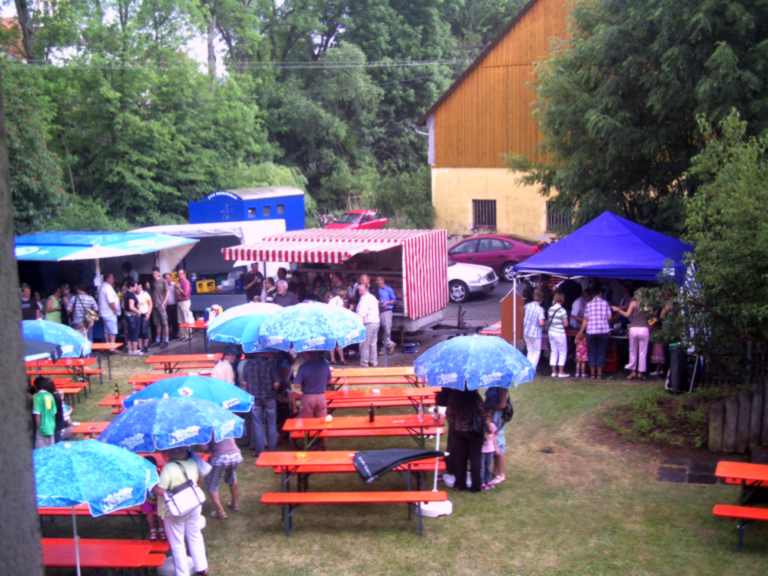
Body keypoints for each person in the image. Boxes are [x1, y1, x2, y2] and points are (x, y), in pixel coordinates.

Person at [153, 447, 208, 576]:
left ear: (171, 453)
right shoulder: (193, 462)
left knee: (177, 543)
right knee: (195, 536)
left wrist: (152, 486)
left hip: (176, 510)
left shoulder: (168, 468)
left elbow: (161, 490)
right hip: (194, 504)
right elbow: (199, 480)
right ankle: (202, 568)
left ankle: (182, 573)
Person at [242, 352, 279, 456]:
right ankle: (272, 449)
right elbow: (276, 384)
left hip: (254, 398)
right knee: (271, 423)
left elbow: (244, 382)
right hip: (269, 397)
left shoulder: (248, 365)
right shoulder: (270, 364)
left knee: (257, 424)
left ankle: (260, 451)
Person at [449, 390, 484, 492]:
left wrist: (454, 424)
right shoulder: (476, 396)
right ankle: (476, 485)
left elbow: (449, 414)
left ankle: (460, 484)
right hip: (475, 431)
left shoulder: (454, 396)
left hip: (459, 431)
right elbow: (482, 411)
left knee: (460, 458)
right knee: (475, 458)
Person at [613, 288, 650, 379]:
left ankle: (633, 372)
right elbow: (652, 318)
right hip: (644, 329)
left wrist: (618, 310)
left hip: (633, 328)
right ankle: (640, 373)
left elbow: (627, 315)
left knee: (632, 351)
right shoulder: (648, 304)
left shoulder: (633, 303)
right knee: (643, 352)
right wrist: (649, 326)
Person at [578, 287, 613, 379]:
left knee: (591, 352)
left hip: (591, 331)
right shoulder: (605, 303)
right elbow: (609, 318)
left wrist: (580, 332)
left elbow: (585, 320)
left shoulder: (589, 304)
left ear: (593, 294)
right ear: (600, 293)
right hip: (603, 331)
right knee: (601, 352)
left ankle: (593, 375)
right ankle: (599, 375)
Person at [205, 437, 242, 519]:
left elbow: (204, 448)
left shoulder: (208, 430)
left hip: (221, 457)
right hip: (235, 455)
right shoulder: (225, 428)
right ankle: (235, 504)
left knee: (212, 484)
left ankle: (220, 512)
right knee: (232, 477)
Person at [483, 386, 509, 486]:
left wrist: (489, 409)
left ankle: (500, 474)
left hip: (496, 416)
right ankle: (495, 471)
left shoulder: (502, 386)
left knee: (498, 444)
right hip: (492, 415)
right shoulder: (493, 385)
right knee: (493, 444)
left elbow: (502, 405)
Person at [296, 351, 331, 419]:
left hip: (307, 397)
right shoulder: (325, 365)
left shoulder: (303, 366)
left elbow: (297, 385)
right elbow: (329, 380)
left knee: (307, 423)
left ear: (308, 354)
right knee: (321, 422)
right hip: (321, 397)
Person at [356, 281, 380, 367]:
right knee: (373, 343)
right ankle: (373, 361)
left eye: (361, 290)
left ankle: (364, 362)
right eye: (359, 290)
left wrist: (360, 325)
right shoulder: (372, 297)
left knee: (364, 344)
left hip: (368, 323)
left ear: (366, 289)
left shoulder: (364, 299)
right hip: (376, 322)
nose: (359, 292)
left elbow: (362, 313)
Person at [547, 291, 570, 378]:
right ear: (562, 299)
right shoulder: (562, 310)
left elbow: (549, 320)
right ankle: (561, 372)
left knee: (553, 351)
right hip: (559, 333)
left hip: (551, 332)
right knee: (562, 352)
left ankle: (553, 372)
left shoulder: (550, 309)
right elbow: (566, 324)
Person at [523, 289, 545, 371]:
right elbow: (541, 323)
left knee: (530, 350)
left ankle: (528, 367)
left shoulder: (527, 306)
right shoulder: (540, 309)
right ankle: (532, 369)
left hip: (526, 331)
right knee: (536, 351)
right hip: (535, 333)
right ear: (542, 299)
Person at [32, 376, 57, 448]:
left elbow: (37, 414)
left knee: (40, 449)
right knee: (51, 448)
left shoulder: (37, 397)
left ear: (36, 386)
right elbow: (53, 412)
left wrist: (38, 427)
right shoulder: (50, 396)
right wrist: (52, 424)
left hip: (42, 427)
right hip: (51, 426)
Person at [376, 276, 397, 354]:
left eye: (379, 280)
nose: (378, 282)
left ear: (383, 281)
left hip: (387, 311)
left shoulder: (388, 289)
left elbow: (394, 300)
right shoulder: (377, 290)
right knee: (383, 330)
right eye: (377, 281)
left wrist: (387, 302)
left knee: (387, 329)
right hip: (379, 311)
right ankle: (389, 345)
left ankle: (388, 345)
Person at [98, 273, 120, 344]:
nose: (113, 279)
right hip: (110, 313)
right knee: (112, 331)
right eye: (112, 278)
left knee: (107, 331)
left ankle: (108, 345)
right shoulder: (108, 288)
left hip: (105, 312)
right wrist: (115, 310)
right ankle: (112, 347)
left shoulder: (103, 287)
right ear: (108, 279)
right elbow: (111, 302)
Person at [327, 289, 347, 364]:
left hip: (331, 323)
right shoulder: (340, 301)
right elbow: (342, 312)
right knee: (339, 342)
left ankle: (333, 359)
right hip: (338, 323)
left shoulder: (331, 301)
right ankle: (342, 359)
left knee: (332, 341)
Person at [151, 268, 170, 348]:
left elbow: (167, 292)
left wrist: (164, 303)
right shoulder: (153, 282)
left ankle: (166, 340)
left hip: (161, 305)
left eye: (155, 273)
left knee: (165, 323)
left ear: (159, 273)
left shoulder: (163, 281)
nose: (154, 275)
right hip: (155, 306)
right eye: (153, 274)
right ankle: (158, 340)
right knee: (157, 324)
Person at [480, 411, 498, 491]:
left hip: (490, 450)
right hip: (482, 451)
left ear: (490, 419)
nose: (487, 420)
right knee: (482, 467)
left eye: (488, 418)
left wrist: (496, 448)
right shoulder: (481, 427)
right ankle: (482, 483)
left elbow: (494, 438)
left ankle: (488, 481)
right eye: (485, 418)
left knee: (488, 467)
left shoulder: (492, 426)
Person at [124, 280, 142, 355]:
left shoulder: (126, 294)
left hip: (127, 315)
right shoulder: (131, 295)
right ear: (131, 287)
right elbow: (131, 306)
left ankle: (130, 349)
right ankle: (134, 350)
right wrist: (138, 311)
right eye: (135, 286)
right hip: (133, 316)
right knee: (134, 332)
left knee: (129, 333)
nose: (136, 287)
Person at [175, 269, 194, 340]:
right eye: (178, 274)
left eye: (181, 274)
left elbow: (185, 293)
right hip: (179, 302)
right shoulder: (178, 282)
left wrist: (179, 288)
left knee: (186, 318)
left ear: (184, 274)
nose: (179, 275)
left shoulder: (186, 282)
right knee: (180, 320)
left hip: (185, 302)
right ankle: (183, 335)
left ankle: (188, 335)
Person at [137, 282, 153, 353]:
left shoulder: (145, 294)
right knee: (139, 331)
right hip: (138, 315)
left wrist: (148, 313)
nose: (139, 288)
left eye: (140, 287)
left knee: (144, 331)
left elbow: (150, 304)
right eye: (137, 287)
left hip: (145, 314)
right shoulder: (135, 295)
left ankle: (146, 346)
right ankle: (141, 347)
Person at [164, 273, 179, 340]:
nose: (168, 279)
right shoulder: (164, 285)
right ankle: (169, 335)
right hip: (167, 305)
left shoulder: (174, 284)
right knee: (168, 320)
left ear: (171, 278)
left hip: (174, 304)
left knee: (175, 320)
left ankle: (175, 334)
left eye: (169, 277)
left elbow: (178, 292)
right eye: (166, 278)